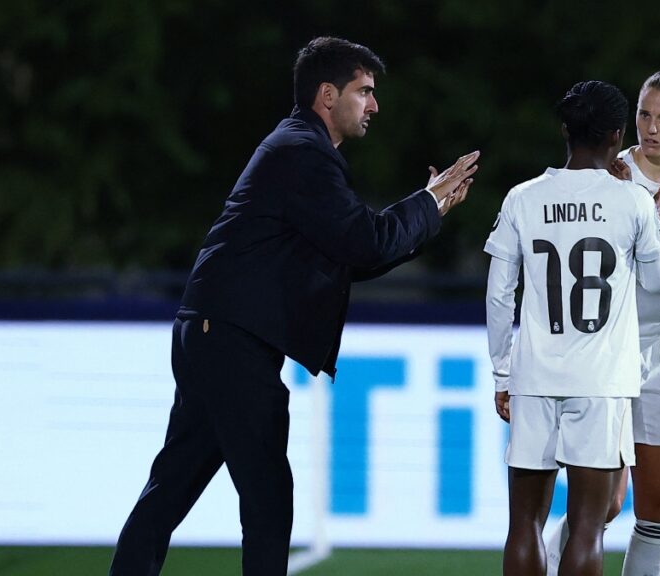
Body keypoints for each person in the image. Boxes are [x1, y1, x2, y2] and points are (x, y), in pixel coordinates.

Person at [109, 37, 479, 576]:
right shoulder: (304, 154)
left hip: (214, 333)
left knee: (173, 488)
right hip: (231, 339)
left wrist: (430, 209)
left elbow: (356, 253)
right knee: (266, 497)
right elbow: (367, 242)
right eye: (365, 91)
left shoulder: (300, 150)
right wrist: (428, 202)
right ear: (327, 95)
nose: (374, 104)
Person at [544, 64, 660, 576]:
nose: (651, 128)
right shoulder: (608, 176)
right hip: (607, 347)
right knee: (605, 502)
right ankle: (542, 561)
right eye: (644, 115)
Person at [485, 80, 660, 576]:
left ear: (565, 131)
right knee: (588, 527)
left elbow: (499, 294)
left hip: (534, 375)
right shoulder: (632, 201)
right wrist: (654, 227)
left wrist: (503, 373)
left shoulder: (522, 198)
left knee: (523, 523)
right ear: (618, 135)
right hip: (601, 382)